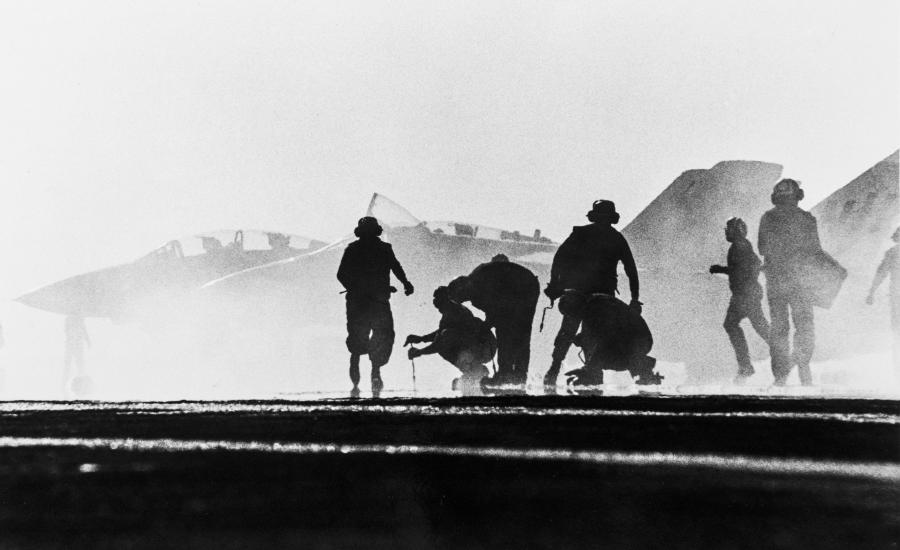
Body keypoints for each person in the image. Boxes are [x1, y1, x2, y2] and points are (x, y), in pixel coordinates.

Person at [542, 200, 641, 386]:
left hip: (578, 292)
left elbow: (559, 258)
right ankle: (589, 371)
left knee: (568, 330)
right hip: (602, 298)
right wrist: (634, 299)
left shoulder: (581, 234)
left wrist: (556, 283)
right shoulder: (616, 238)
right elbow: (631, 270)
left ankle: (555, 369)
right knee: (592, 333)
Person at [337, 217, 414, 394]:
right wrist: (405, 283)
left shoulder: (355, 249)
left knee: (365, 339)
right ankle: (374, 373)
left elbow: (342, 275)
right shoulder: (382, 249)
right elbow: (395, 267)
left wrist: (356, 289)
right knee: (379, 335)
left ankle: (364, 380)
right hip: (375, 302)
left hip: (361, 302)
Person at [758, 179, 822, 386]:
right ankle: (802, 367)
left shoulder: (768, 218)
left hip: (776, 282)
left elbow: (762, 248)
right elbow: (815, 252)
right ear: (798, 195)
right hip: (801, 283)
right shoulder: (807, 219)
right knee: (804, 327)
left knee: (779, 328)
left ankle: (780, 376)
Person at [448, 254, 539, 387]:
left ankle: (509, 374)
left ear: (462, 288)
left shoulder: (478, 284)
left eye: (461, 298)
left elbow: (497, 313)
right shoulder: (476, 281)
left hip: (523, 287)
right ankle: (516, 374)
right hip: (526, 285)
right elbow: (495, 311)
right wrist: (488, 324)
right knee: (516, 332)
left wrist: (486, 326)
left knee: (512, 333)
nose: (464, 301)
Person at [710, 217, 770, 384]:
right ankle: (780, 352)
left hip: (745, 295)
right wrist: (722, 269)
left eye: (728, 229)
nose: (726, 232)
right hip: (746, 294)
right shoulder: (742, 245)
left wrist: (720, 269)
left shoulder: (739, 246)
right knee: (759, 326)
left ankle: (747, 366)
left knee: (734, 325)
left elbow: (745, 269)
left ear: (735, 231)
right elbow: (751, 265)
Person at [405, 287, 495, 393]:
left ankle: (474, 371)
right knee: (446, 343)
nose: (437, 306)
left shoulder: (453, 313)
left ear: (446, 299)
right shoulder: (453, 312)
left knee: (444, 347)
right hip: (485, 347)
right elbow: (440, 334)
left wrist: (419, 352)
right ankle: (474, 371)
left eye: (438, 301)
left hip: (484, 348)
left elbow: (440, 342)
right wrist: (421, 339)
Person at [866, 226, 900, 373]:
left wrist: (871, 292)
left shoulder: (892, 253)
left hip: (897, 299)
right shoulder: (892, 253)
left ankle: (897, 369)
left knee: (897, 334)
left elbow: (881, 273)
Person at [64, 315, 91, 395]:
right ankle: (77, 387)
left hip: (74, 344)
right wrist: (87, 340)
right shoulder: (75, 319)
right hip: (74, 344)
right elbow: (82, 330)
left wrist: (87, 340)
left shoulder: (75, 319)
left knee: (76, 364)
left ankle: (79, 387)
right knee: (74, 364)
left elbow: (83, 330)